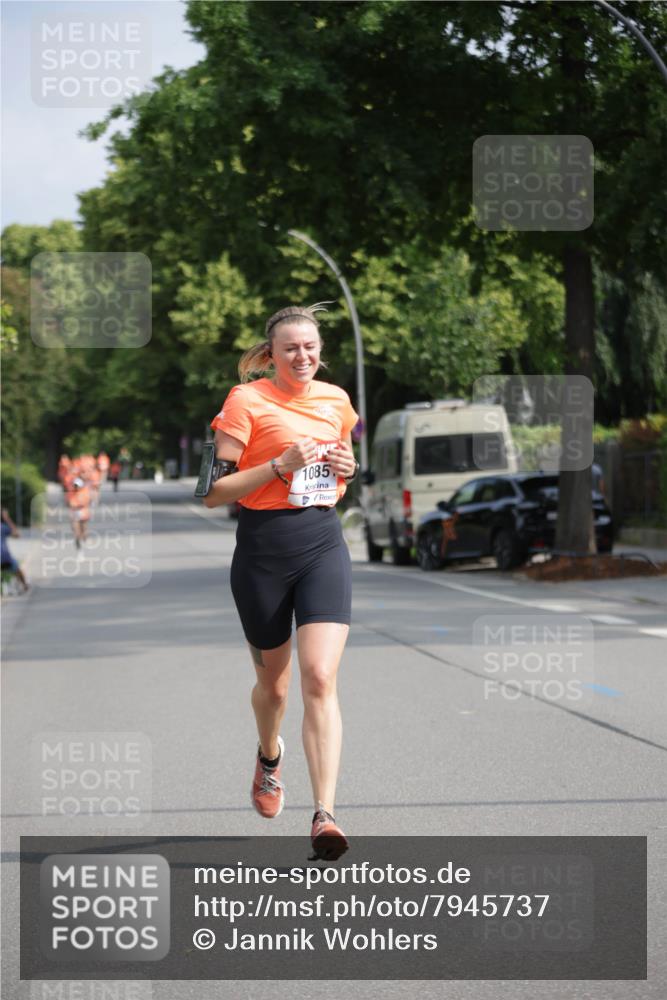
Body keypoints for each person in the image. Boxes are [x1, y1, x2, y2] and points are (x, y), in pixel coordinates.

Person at [203, 304, 360, 861]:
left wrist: (348, 467)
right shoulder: (245, 402)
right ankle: (269, 757)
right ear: (271, 355)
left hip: (322, 544)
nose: (304, 356)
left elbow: (342, 469)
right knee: (275, 689)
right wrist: (278, 465)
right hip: (262, 552)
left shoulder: (337, 401)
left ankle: (325, 815)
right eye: (291, 348)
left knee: (320, 676)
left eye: (311, 347)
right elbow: (215, 492)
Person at [1, 508, 29, 592]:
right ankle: (25, 586)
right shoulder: (2, 527)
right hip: (5, 558)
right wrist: (7, 519)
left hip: (4, 558)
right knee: (18, 569)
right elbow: (17, 534)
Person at [65, 477, 91, 551]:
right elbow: (69, 502)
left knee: (84, 529)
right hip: (74, 512)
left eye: (77, 486)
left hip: (83, 511)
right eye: (75, 485)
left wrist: (78, 504)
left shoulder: (84, 492)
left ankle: (84, 537)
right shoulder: (71, 493)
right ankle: (77, 540)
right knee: (75, 528)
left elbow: (86, 502)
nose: (76, 487)